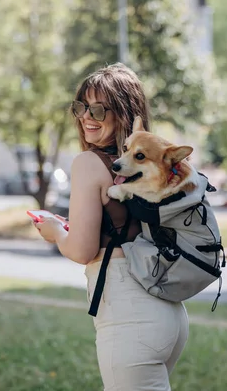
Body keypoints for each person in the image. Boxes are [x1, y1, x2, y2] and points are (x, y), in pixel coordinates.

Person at [34, 63, 189, 391]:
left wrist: (54, 232)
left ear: (123, 113)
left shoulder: (89, 163)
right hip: (168, 313)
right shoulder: (148, 164)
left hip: (130, 314)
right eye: (80, 107)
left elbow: (82, 250)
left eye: (99, 109)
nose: (86, 117)